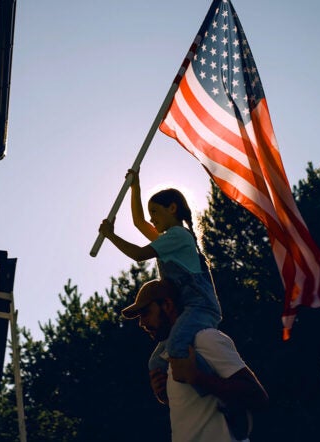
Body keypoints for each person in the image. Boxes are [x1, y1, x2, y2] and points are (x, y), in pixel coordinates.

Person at [99, 169, 222, 379]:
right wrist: (134, 186)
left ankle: (216, 385)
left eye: (155, 211)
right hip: (186, 311)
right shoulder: (168, 240)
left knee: (175, 346)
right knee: (156, 361)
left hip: (200, 307)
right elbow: (139, 222)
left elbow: (138, 254)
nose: (151, 218)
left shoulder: (178, 236)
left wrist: (111, 236)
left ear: (172, 208)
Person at [123, 279, 268, 442]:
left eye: (145, 313)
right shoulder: (170, 355)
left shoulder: (206, 338)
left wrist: (198, 378)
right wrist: (166, 396)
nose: (142, 323)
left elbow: (258, 397)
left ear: (167, 305)